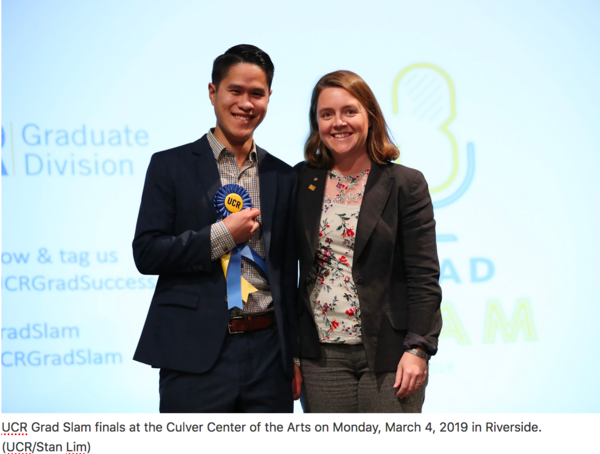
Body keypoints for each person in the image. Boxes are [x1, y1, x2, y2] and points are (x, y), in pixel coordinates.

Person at [132, 44, 301, 413]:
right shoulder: (169, 165)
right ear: (213, 92)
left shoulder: (285, 176)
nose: (246, 103)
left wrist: (295, 355)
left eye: (257, 93)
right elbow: (147, 252)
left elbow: (289, 274)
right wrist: (223, 235)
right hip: (194, 355)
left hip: (270, 356)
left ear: (269, 97)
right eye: (234, 91)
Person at [295, 70, 442, 413]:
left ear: (370, 116)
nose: (338, 122)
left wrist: (418, 349)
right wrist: (291, 352)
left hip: (391, 353)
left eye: (350, 111)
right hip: (321, 355)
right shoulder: (300, 181)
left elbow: (423, 277)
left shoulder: (406, 183)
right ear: (316, 123)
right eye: (326, 114)